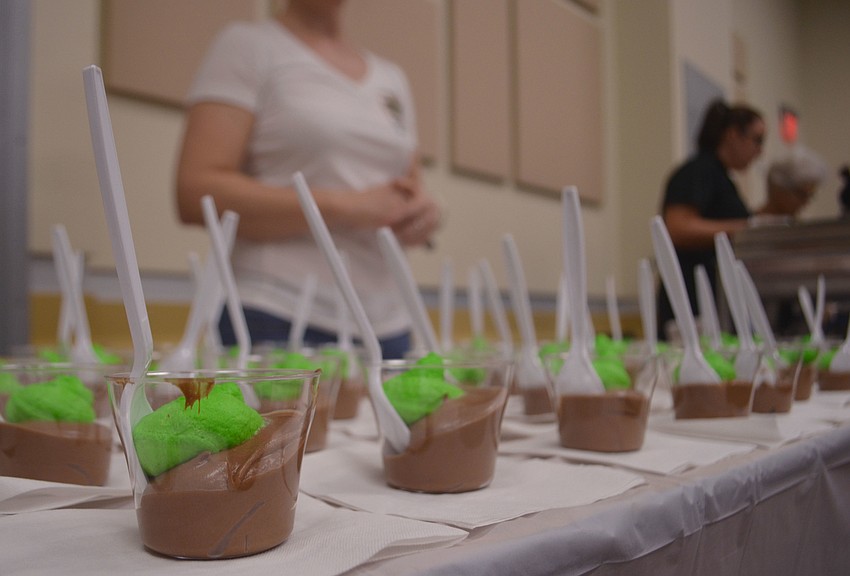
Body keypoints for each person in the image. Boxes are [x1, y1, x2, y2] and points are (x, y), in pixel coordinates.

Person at [175, 0, 441, 359]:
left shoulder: (392, 78)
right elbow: (195, 191)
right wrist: (345, 206)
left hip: (388, 323)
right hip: (277, 315)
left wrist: (422, 215)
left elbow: (407, 187)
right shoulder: (248, 47)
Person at [656, 98, 766, 340]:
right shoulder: (699, 171)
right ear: (732, 134)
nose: (760, 151)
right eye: (757, 140)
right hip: (691, 301)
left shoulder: (721, 178)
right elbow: (677, 227)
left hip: (713, 301)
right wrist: (746, 229)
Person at [754, 146, 829, 223]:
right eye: (802, 195)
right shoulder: (749, 225)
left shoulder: (799, 228)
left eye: (810, 195)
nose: (806, 203)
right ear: (778, 188)